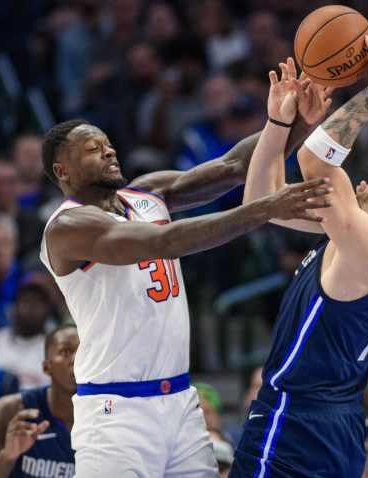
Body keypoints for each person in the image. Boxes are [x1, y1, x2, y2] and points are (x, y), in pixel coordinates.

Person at [38, 96, 332, 474]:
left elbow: (235, 165)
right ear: (62, 171)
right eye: (93, 149)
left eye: (108, 144)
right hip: (116, 411)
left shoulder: (147, 195)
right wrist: (264, 209)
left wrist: (293, 122)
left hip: (180, 402)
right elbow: (164, 241)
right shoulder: (66, 227)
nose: (109, 151)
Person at [231, 27, 368, 477]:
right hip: (332, 423)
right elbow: (261, 203)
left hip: (298, 419)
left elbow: (315, 160)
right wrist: (280, 121)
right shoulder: (355, 241)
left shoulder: (367, 244)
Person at [0, 324, 78, 478]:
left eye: (83, 352)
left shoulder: (106, 414)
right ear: (47, 367)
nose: (76, 359)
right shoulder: (10, 410)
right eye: (66, 352)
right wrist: (7, 457)